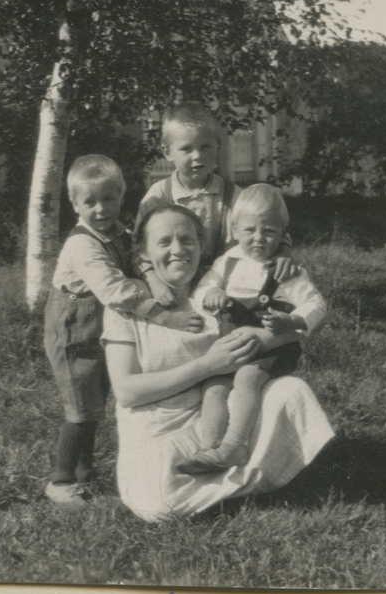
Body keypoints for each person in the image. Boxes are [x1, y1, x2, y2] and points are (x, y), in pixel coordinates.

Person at [102, 204, 335, 521]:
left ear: (200, 245)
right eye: (164, 242)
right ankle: (248, 479)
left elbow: (290, 329)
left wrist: (284, 255)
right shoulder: (127, 304)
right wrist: (209, 365)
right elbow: (127, 392)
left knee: (291, 391)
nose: (178, 250)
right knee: (156, 503)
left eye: (187, 240)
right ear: (142, 252)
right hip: (158, 431)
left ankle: (224, 470)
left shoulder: (220, 291)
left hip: (224, 421)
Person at [43, 155, 204, 508]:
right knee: (80, 409)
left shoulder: (118, 231)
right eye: (90, 202)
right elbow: (114, 289)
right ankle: (60, 480)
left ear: (121, 197)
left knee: (94, 403)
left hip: (96, 328)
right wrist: (163, 317)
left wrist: (148, 276)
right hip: (72, 334)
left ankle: (86, 477)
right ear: (74, 204)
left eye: (109, 199)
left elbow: (135, 256)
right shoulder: (81, 244)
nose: (101, 209)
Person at [179, 184, 328, 474]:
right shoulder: (228, 262)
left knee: (247, 379)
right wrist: (211, 296)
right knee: (214, 387)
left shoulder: (286, 270)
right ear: (234, 230)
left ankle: (235, 445)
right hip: (230, 347)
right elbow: (201, 290)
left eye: (269, 232)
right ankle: (208, 450)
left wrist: (292, 321)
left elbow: (316, 304)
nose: (258, 239)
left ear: (282, 234)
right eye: (250, 231)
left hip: (271, 349)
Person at [135, 102, 298, 306]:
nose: (198, 156)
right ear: (167, 152)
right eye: (186, 149)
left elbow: (269, 225)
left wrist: (284, 251)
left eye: (206, 147)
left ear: (217, 146)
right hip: (170, 281)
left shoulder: (233, 196)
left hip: (220, 284)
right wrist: (153, 280)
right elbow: (137, 247)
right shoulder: (158, 196)